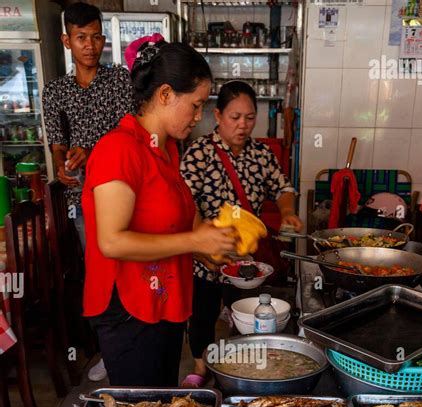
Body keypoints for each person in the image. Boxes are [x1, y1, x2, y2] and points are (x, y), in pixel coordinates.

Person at [81, 39, 235, 387]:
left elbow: (175, 219)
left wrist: (205, 249)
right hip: (130, 310)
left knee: (162, 402)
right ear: (165, 94)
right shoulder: (119, 149)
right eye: (195, 105)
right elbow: (112, 241)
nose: (199, 117)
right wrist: (194, 239)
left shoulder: (166, 152)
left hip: (163, 300)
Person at [180, 80, 303, 388]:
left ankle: (241, 371)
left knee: (246, 316)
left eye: (249, 117)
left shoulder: (261, 153)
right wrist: (199, 247)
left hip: (246, 260)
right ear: (218, 116)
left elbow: (283, 187)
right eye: (235, 117)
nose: (243, 125)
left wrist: (287, 212)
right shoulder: (199, 153)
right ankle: (201, 367)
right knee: (203, 314)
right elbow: (185, 202)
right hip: (207, 255)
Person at [42, 1, 134, 382]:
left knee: (128, 265)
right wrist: (63, 166)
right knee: (98, 272)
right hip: (82, 200)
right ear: (67, 40)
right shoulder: (55, 92)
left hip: (124, 193)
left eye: (97, 37)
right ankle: (109, 349)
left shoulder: (119, 81)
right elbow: (58, 145)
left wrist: (93, 151)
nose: (91, 45)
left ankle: (133, 338)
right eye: (82, 38)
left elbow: (131, 137)